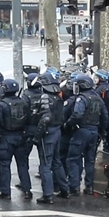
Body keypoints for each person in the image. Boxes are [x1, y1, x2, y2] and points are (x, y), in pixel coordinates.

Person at [65, 74, 108, 196]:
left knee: (73, 158)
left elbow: (77, 114)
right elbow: (104, 116)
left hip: (82, 131)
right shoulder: (97, 98)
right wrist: (101, 131)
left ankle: (74, 186)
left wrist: (68, 124)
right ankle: (89, 186)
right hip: (94, 131)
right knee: (90, 160)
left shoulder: (82, 98)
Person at [0, 79, 32, 200]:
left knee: (4, 165)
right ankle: (27, 190)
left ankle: (5, 191)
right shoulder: (24, 102)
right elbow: (29, 120)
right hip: (21, 137)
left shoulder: (2, 105)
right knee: (23, 165)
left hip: (6, 138)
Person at [33, 73, 69, 204]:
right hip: (57, 131)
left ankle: (48, 195)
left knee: (45, 165)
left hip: (47, 134)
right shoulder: (57, 97)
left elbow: (45, 118)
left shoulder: (46, 97)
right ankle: (65, 189)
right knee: (56, 162)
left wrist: (37, 137)